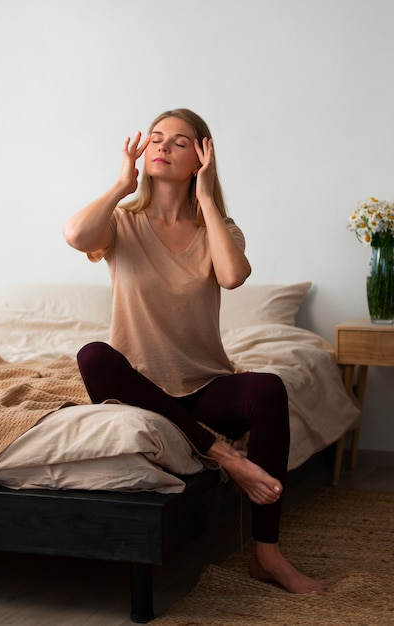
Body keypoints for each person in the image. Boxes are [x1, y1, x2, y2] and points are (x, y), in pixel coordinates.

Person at [63, 108, 323, 594]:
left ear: (202, 155)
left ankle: (267, 555)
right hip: (137, 390)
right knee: (93, 356)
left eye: (179, 142)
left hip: (202, 391)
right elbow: (77, 235)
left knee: (268, 388)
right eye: (156, 138)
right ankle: (223, 456)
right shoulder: (121, 222)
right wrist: (122, 184)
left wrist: (206, 198)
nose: (161, 146)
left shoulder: (220, 228)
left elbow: (232, 276)